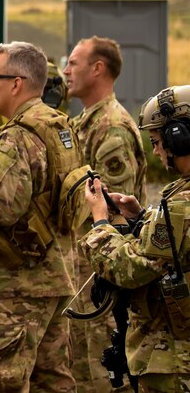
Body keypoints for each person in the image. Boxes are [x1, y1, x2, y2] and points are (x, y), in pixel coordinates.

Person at [0, 41, 80, 391]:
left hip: (17, 287)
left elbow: (0, 208)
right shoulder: (61, 127)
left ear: (16, 83)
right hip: (56, 276)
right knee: (52, 380)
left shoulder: (17, 137)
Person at [81, 85, 190, 391]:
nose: (155, 151)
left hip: (174, 363)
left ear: (178, 138)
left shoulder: (182, 204)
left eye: (157, 142)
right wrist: (143, 218)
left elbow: (131, 270)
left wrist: (100, 221)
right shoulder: (179, 200)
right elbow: (177, 251)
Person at [63, 36, 147, 388]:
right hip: (87, 268)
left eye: (74, 63)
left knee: (102, 375)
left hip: (103, 278)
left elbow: (113, 214)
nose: (66, 71)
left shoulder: (110, 127)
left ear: (97, 69)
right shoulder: (86, 122)